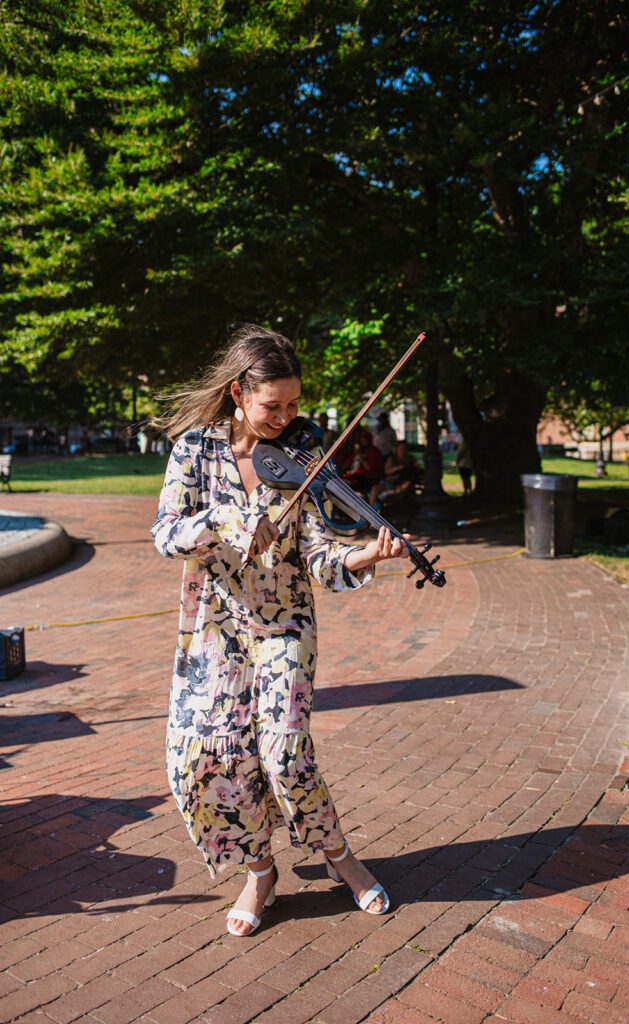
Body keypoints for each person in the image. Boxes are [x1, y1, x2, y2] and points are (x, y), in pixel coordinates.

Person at [150, 324, 409, 938]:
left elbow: (318, 554)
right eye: (275, 405)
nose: (288, 418)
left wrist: (364, 557)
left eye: (295, 404)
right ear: (239, 392)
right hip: (214, 630)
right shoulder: (194, 451)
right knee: (198, 757)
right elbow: (166, 534)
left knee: (284, 751)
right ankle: (259, 870)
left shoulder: (301, 457)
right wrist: (226, 519)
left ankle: (341, 857)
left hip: (284, 624)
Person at [368, 439, 419, 506]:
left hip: (403, 484)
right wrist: (397, 468)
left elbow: (415, 472)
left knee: (404, 487)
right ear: (396, 449)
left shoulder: (411, 459)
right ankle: (371, 510)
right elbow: (387, 472)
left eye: (404, 448)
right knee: (375, 489)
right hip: (389, 483)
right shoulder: (391, 458)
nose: (402, 449)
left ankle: (388, 494)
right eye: (400, 448)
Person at [342, 428, 384, 494]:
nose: (362, 441)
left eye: (364, 439)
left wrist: (361, 460)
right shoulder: (359, 451)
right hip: (357, 477)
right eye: (361, 439)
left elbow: (370, 469)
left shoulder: (374, 451)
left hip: (370, 479)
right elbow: (347, 463)